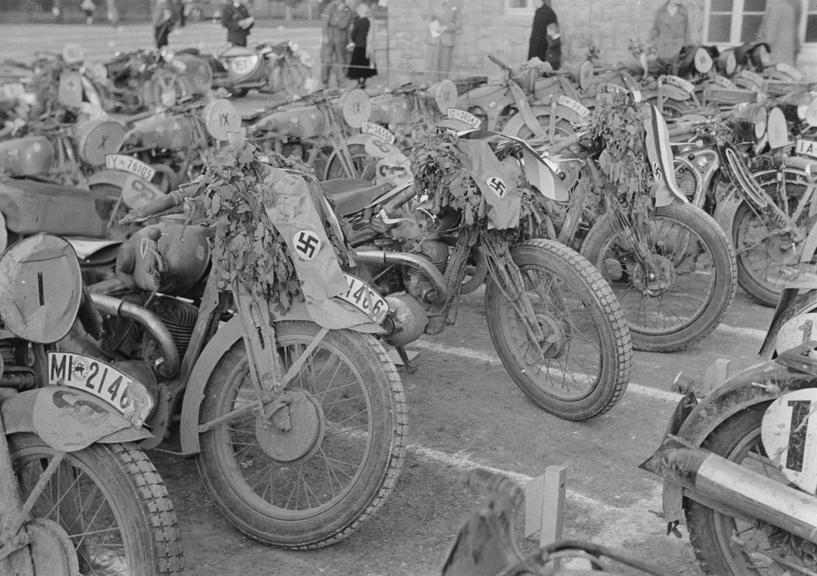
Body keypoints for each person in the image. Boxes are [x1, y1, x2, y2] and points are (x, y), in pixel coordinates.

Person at [423, 0, 463, 82]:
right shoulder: (432, 3)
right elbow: (425, 16)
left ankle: (442, 89)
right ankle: (428, 88)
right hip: (433, 40)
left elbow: (458, 23)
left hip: (447, 41)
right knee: (430, 66)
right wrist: (433, 23)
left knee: (444, 68)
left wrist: (445, 28)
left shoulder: (455, 5)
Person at [321, 0, 355, 88]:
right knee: (326, 60)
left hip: (341, 38)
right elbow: (325, 22)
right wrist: (324, 36)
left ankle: (340, 81)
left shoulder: (349, 11)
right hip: (330, 36)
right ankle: (325, 82)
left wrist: (350, 41)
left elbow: (348, 27)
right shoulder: (330, 7)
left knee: (341, 61)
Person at [756, 0, 801, 67]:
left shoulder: (775, 4)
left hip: (775, 51)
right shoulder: (795, 3)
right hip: (789, 49)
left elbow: (770, 32)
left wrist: (761, 44)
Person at [347, 1, 377, 88]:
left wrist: (353, 40)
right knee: (365, 65)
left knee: (357, 65)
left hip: (359, 46)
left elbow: (353, 33)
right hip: (367, 46)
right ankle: (363, 81)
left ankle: (358, 82)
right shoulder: (369, 21)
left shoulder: (358, 22)